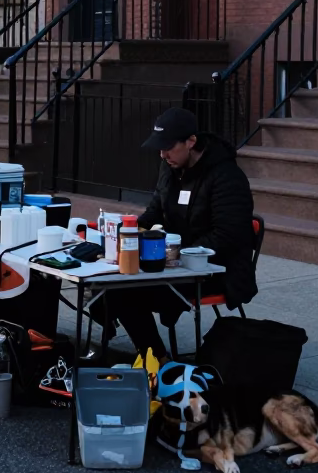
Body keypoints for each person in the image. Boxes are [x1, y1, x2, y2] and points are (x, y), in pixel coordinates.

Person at [92, 107, 257, 362]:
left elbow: (227, 236)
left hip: (216, 269)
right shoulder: (169, 168)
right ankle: (149, 354)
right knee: (108, 280)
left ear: (191, 142)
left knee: (124, 291)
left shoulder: (227, 177)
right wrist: (128, 233)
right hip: (174, 261)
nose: (162, 154)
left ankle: (158, 361)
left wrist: (175, 254)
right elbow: (155, 211)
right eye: (160, 147)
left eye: (168, 147)